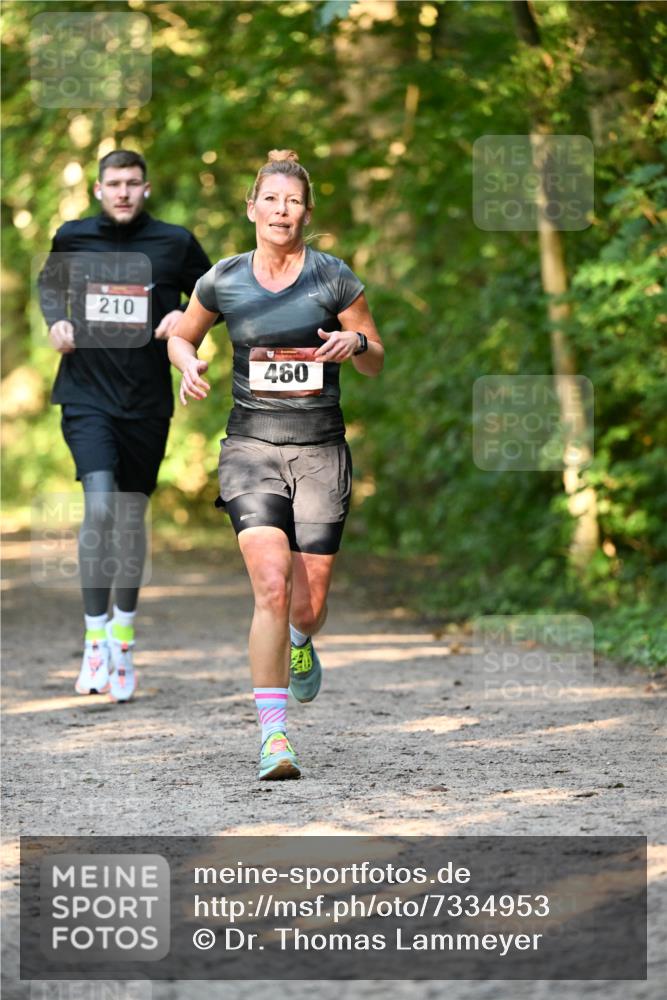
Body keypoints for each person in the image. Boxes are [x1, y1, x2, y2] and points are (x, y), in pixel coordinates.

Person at [168, 149, 384, 780]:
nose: (281, 210)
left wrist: (357, 344)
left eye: (293, 201)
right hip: (250, 448)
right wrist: (187, 361)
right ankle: (274, 739)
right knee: (271, 584)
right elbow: (185, 333)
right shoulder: (224, 278)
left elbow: (375, 356)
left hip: (320, 451)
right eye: (271, 200)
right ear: (252, 208)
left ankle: (300, 641)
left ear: (306, 212)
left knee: (307, 604)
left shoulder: (334, 277)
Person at [38, 149, 215, 702]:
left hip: (145, 400)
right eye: (112, 184)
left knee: (132, 514)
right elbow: (49, 287)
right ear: (97, 190)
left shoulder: (175, 242)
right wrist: (57, 322)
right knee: (99, 505)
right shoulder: (71, 236)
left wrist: (181, 320)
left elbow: (215, 295)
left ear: (146, 187)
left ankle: (124, 637)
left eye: (132, 183)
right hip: (86, 394)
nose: (122, 192)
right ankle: (94, 642)